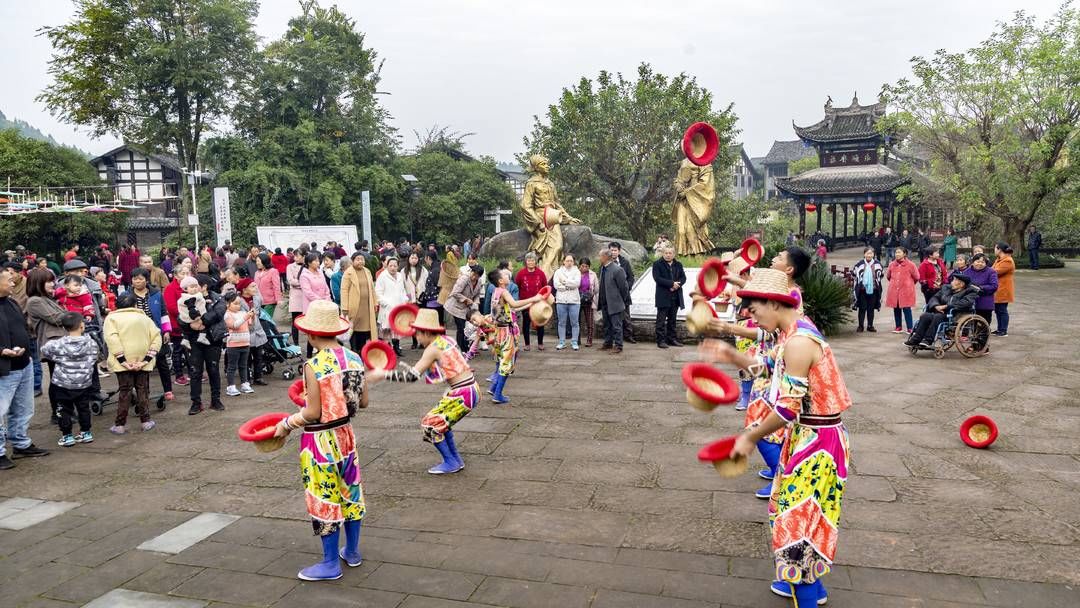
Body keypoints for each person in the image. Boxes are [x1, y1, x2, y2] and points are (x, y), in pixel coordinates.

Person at [700, 268, 851, 607]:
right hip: (808, 437)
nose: (751, 319)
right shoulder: (789, 334)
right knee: (797, 520)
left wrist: (749, 437)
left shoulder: (798, 342)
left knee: (796, 531)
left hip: (819, 445)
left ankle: (807, 596)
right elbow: (765, 368)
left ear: (771, 302)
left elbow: (786, 408)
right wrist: (729, 355)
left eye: (754, 312)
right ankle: (814, 590)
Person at [272, 300, 366, 582]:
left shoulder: (313, 365)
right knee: (351, 492)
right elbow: (363, 401)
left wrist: (287, 424)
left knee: (324, 496)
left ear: (311, 335)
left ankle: (329, 563)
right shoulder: (355, 358)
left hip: (321, 442)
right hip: (346, 436)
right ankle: (351, 552)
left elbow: (313, 413)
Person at [370, 307, 479, 475]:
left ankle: (451, 462)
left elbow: (412, 376)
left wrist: (383, 374)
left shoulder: (432, 349)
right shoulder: (447, 340)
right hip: (471, 389)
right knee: (442, 423)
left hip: (462, 393)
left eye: (418, 333)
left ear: (426, 332)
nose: (416, 337)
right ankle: (455, 459)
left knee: (430, 424)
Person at [0, 265, 50, 470]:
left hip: (23, 362)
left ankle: (20, 443)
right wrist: (2, 350)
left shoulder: (11, 302)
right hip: (4, 367)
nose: (13, 282)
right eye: (8, 279)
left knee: (23, 408)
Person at [104, 293, 162, 434]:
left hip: (122, 363)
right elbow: (156, 338)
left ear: (116, 305)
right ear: (135, 305)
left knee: (125, 391)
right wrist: (145, 360)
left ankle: (120, 425)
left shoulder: (111, 318)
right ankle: (146, 421)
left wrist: (123, 361)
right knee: (143, 389)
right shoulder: (144, 318)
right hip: (143, 361)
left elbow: (112, 339)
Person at [486, 269, 543, 403]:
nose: (508, 276)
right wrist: (534, 298)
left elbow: (511, 309)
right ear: (501, 281)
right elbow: (514, 304)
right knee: (507, 363)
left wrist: (530, 304)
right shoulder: (504, 291)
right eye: (504, 275)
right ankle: (498, 394)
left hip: (498, 332)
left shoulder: (496, 292)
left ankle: (494, 388)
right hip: (506, 333)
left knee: (501, 360)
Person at [40, 312, 98, 446]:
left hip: (62, 383)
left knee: (63, 409)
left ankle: (67, 436)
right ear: (82, 326)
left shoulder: (57, 344)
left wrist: (57, 358)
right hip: (83, 382)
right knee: (83, 408)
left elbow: (45, 350)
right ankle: (86, 432)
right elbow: (95, 357)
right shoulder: (91, 343)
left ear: (64, 328)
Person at [519, 154, 581, 275]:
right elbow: (525, 205)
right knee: (545, 248)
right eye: (543, 164)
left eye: (547, 164)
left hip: (552, 217)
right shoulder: (531, 183)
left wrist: (568, 218)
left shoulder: (550, 184)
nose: (547, 166)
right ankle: (543, 275)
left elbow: (557, 203)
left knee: (558, 246)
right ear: (536, 167)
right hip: (540, 216)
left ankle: (549, 273)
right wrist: (538, 222)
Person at [129, 268, 174, 401]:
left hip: (156, 333)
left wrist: (166, 330)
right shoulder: (127, 295)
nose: (138, 281)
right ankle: (144, 392)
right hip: (137, 335)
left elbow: (163, 312)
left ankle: (168, 390)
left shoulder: (156, 294)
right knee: (143, 365)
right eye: (135, 279)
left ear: (146, 280)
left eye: (141, 279)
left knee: (162, 363)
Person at [185, 275, 226, 415]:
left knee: (213, 369)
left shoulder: (217, 299)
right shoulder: (186, 299)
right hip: (194, 340)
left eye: (196, 285)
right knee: (195, 371)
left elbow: (218, 313)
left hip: (213, 339)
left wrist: (202, 321)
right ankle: (196, 402)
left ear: (204, 287)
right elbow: (181, 318)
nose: (193, 288)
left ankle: (216, 400)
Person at [905, 273, 980, 349]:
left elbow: (964, 303)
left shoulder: (970, 293)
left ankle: (927, 340)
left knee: (938, 317)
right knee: (925, 316)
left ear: (961, 284)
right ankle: (915, 339)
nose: (951, 282)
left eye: (954, 280)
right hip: (941, 312)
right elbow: (935, 297)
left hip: (955, 315)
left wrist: (946, 306)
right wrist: (936, 306)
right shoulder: (946, 288)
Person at [340, 252, 378, 354]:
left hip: (366, 307)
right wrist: (345, 307)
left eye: (362, 259)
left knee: (365, 330)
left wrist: (375, 302)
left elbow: (372, 289)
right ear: (352, 261)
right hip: (354, 306)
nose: (360, 261)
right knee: (354, 329)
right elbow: (344, 290)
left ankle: (362, 350)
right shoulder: (348, 272)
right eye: (358, 259)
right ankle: (354, 350)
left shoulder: (367, 271)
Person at [445, 263, 485, 352]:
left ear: (480, 276)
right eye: (473, 274)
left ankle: (466, 348)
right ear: (471, 271)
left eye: (476, 276)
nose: (474, 277)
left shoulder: (479, 282)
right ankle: (461, 349)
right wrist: (466, 299)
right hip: (455, 306)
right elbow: (455, 293)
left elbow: (478, 294)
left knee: (467, 328)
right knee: (461, 327)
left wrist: (476, 303)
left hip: (467, 308)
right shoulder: (464, 279)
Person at [651, 246, 685, 349]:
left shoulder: (678, 264)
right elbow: (657, 278)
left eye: (670, 253)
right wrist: (671, 284)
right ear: (663, 253)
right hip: (663, 296)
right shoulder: (657, 264)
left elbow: (683, 277)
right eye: (666, 253)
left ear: (674, 254)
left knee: (672, 320)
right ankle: (660, 340)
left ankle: (672, 339)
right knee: (661, 320)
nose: (668, 255)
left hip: (675, 296)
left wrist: (677, 285)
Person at [223, 291, 255, 397]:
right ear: (227, 304)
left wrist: (252, 316)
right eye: (235, 303)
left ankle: (244, 383)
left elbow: (250, 324)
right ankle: (231, 386)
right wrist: (246, 317)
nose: (238, 306)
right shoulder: (227, 315)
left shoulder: (242, 313)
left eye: (239, 303)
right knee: (232, 366)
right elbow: (234, 325)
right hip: (233, 344)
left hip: (245, 343)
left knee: (244, 365)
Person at [374, 257, 409, 356]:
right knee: (385, 330)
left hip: (398, 307)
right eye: (391, 266)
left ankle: (396, 347)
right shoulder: (383, 276)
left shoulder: (400, 276)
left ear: (398, 266)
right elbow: (378, 293)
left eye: (395, 265)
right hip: (387, 308)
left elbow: (402, 290)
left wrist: (404, 300)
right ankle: (384, 350)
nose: (393, 268)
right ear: (387, 265)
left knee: (396, 329)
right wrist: (386, 303)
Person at [597, 249, 629, 354]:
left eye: (600, 256)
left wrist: (620, 300)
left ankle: (618, 345)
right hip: (604, 302)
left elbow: (624, 288)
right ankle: (608, 343)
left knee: (617, 326)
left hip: (615, 303)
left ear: (606, 257)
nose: (599, 258)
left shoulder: (617, 270)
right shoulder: (602, 268)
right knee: (607, 325)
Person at [300, 252, 332, 356]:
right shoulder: (304, 275)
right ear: (309, 263)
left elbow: (326, 287)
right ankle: (309, 355)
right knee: (313, 332)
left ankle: (322, 353)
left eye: (319, 261)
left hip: (324, 306)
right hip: (312, 307)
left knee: (323, 331)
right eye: (316, 261)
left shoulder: (320, 272)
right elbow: (308, 292)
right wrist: (320, 301)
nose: (318, 263)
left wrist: (327, 298)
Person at [514, 252, 548, 351]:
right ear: (526, 261)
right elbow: (517, 287)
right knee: (526, 324)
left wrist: (543, 300)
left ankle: (540, 343)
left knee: (540, 323)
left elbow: (545, 287)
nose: (531, 262)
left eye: (532, 260)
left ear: (535, 261)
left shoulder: (541, 273)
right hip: (526, 303)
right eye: (528, 260)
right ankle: (527, 344)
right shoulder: (521, 273)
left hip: (538, 304)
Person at [886, 247, 919, 334]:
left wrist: (909, 284)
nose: (897, 254)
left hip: (906, 290)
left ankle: (910, 328)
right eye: (896, 252)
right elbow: (888, 276)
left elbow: (917, 277)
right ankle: (898, 327)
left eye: (899, 252)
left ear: (904, 254)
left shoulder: (911, 265)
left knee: (906, 308)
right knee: (896, 308)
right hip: (894, 289)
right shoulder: (892, 264)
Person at [552, 254, 582, 351]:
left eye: (571, 261)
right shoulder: (558, 272)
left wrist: (564, 282)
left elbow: (577, 283)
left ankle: (574, 341)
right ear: (563, 261)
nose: (569, 263)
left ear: (574, 262)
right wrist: (569, 284)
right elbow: (556, 285)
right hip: (561, 300)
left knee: (575, 322)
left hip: (574, 301)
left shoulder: (577, 271)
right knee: (561, 322)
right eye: (567, 260)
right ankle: (562, 342)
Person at [609, 242, 637, 343]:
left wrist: (627, 288)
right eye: (611, 250)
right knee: (612, 316)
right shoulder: (606, 262)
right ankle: (613, 337)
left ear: (619, 251)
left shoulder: (624, 262)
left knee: (626, 316)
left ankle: (628, 335)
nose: (613, 252)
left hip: (624, 294)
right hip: (611, 295)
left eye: (615, 250)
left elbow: (631, 277)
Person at [852, 247, 883, 332]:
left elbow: (881, 275)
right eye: (867, 253)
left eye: (871, 253)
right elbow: (854, 274)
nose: (869, 255)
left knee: (871, 309)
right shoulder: (859, 264)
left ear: (873, 254)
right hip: (862, 290)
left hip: (874, 290)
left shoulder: (878, 264)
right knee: (862, 308)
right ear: (864, 254)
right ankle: (860, 326)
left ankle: (870, 325)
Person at [963, 253, 998, 324]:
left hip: (985, 302)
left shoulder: (991, 272)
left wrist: (980, 287)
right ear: (973, 262)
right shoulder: (966, 272)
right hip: (969, 301)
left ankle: (984, 334)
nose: (979, 264)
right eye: (977, 261)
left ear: (986, 263)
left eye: (982, 262)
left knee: (983, 323)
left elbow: (994, 286)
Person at [177, 276, 211, 347]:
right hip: (192, 317)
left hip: (193, 318)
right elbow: (192, 309)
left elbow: (200, 302)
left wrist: (205, 301)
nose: (195, 289)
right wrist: (197, 318)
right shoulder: (188, 299)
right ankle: (196, 338)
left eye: (196, 286)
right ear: (186, 289)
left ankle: (187, 339)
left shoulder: (197, 296)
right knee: (202, 325)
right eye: (192, 287)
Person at [992, 242, 1015, 337]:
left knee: (1002, 310)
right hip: (999, 289)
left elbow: (994, 272)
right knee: (998, 310)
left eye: (995, 248)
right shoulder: (999, 259)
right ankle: (999, 329)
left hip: (1004, 289)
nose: (994, 250)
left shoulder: (1007, 261)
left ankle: (1003, 330)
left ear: (999, 250)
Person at [287, 249, 306, 346]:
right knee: (295, 321)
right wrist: (304, 284)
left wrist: (299, 284)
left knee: (309, 321)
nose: (295, 258)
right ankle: (296, 344)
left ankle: (312, 344)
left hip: (306, 296)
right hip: (295, 296)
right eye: (294, 256)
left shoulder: (307, 266)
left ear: (303, 256)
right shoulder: (290, 266)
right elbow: (291, 281)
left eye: (298, 256)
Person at [578, 258, 598, 348]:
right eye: (582, 266)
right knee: (576, 321)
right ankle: (576, 339)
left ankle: (589, 340)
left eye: (586, 266)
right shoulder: (575, 273)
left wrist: (591, 294)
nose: (584, 268)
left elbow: (597, 288)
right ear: (579, 266)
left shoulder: (592, 274)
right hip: (577, 300)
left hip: (588, 300)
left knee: (589, 321)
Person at [254, 253, 282, 317]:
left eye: (258, 261)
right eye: (256, 261)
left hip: (269, 301)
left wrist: (278, 299)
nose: (257, 263)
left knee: (267, 320)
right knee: (260, 321)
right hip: (258, 302)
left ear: (264, 260)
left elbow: (276, 286)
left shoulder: (273, 271)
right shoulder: (256, 273)